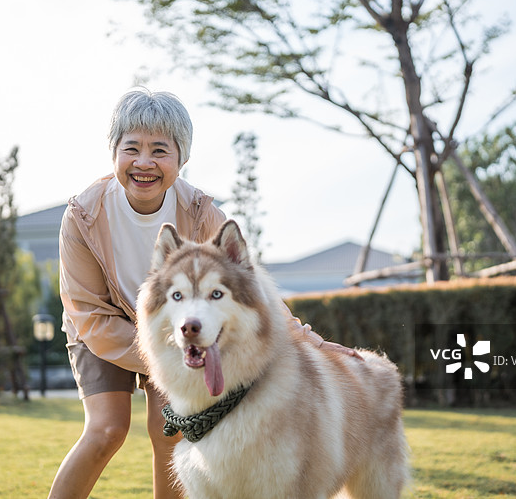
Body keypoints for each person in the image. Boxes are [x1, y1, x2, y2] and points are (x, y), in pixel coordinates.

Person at [48, 87, 359, 499]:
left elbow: (249, 291)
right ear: (114, 154)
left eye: (160, 150)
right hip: (103, 331)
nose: (144, 163)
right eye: (131, 149)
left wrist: (314, 343)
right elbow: (88, 313)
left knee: (172, 429)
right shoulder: (83, 215)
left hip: (181, 332)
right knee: (107, 429)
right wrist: (164, 350)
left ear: (182, 159)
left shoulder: (201, 212)